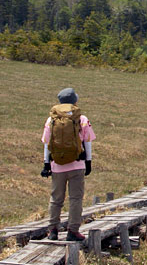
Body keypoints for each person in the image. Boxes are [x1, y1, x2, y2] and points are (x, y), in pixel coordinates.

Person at [40, 88, 96, 241]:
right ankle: (73, 231)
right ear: (75, 101)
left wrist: (46, 164)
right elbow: (88, 142)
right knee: (75, 199)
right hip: (77, 164)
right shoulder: (81, 118)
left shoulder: (51, 119)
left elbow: (47, 144)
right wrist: (88, 161)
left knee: (56, 199)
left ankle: (52, 231)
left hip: (57, 164)